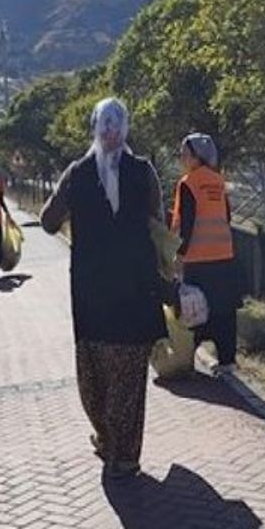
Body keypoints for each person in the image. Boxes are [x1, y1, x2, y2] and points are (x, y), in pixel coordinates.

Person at [40, 97, 168, 479]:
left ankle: (108, 439)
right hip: (136, 293)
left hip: (91, 298)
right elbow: (157, 223)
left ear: (94, 128)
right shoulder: (144, 172)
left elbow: (47, 222)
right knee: (128, 384)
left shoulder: (76, 173)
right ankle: (125, 455)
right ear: (125, 128)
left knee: (93, 381)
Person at [172, 133, 244, 376]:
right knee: (224, 311)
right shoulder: (219, 182)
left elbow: (187, 224)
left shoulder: (188, 183)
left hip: (198, 259)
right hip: (224, 256)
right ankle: (227, 361)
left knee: (194, 310)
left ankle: (188, 361)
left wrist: (179, 254)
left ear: (196, 156)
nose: (181, 157)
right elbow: (227, 217)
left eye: (184, 153)